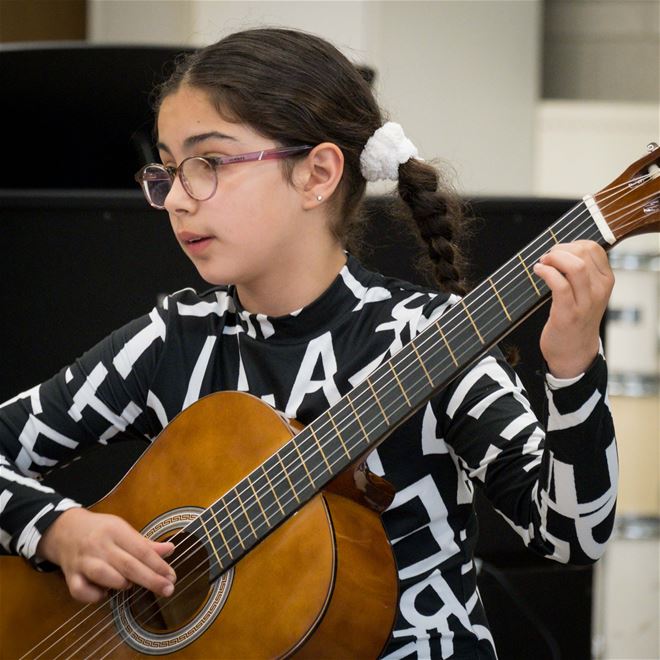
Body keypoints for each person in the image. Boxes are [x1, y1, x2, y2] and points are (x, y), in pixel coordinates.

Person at [0, 27, 617, 659]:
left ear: (316, 174)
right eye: (167, 169)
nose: (177, 200)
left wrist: (574, 370)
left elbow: (572, 536)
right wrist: (55, 529)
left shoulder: (429, 338)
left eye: (208, 163)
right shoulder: (171, 341)